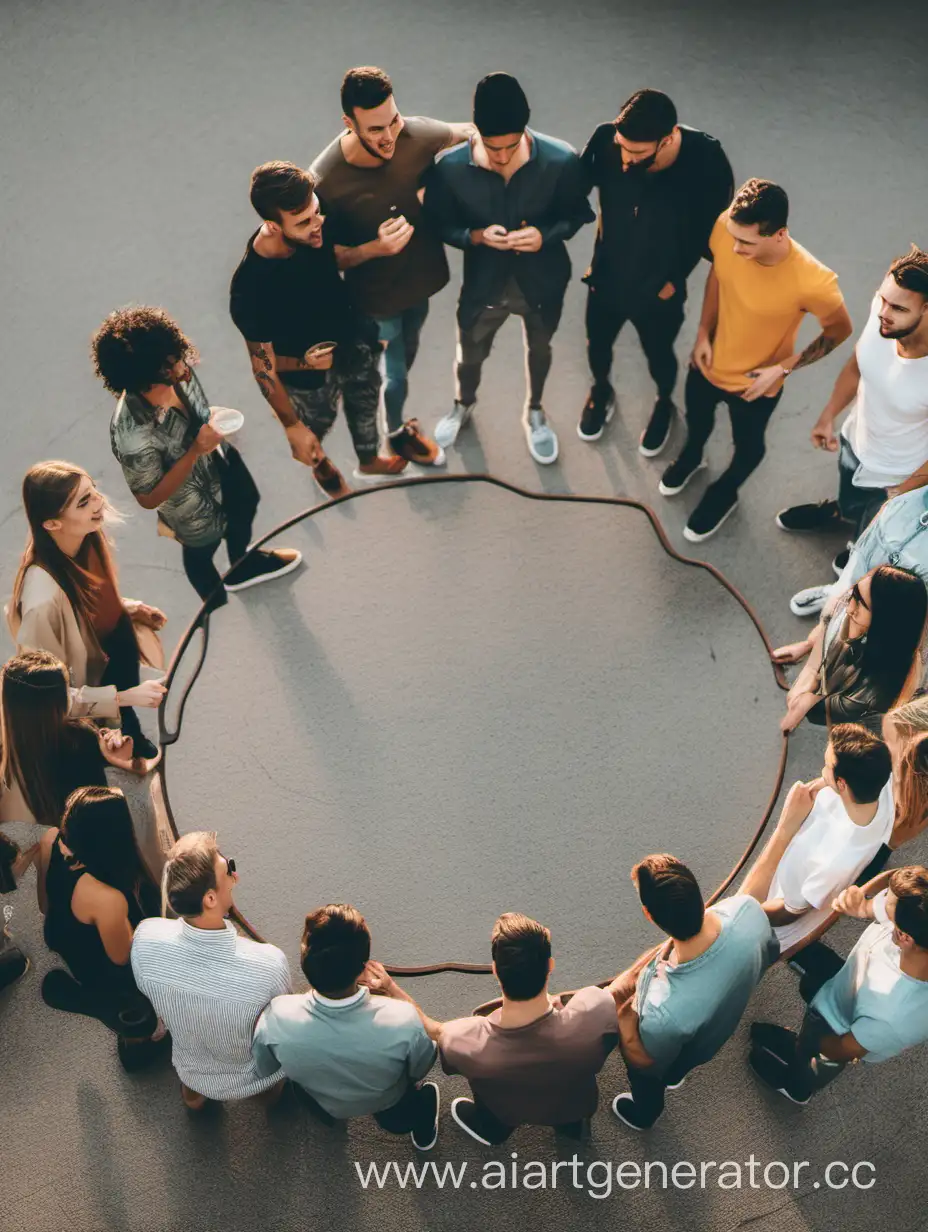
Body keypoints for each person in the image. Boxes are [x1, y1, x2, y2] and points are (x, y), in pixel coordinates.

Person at [658, 178, 853, 543]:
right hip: (708, 360)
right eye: (733, 236)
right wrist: (703, 331)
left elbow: (839, 330)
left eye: (746, 242)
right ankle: (693, 456)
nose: (735, 246)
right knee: (696, 422)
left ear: (780, 234)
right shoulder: (726, 226)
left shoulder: (814, 282)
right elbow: (719, 272)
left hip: (756, 384)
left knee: (748, 446)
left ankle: (725, 490)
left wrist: (782, 368)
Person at [426, 72, 594, 464]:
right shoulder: (449, 169)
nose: (501, 156)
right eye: (491, 146)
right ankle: (462, 405)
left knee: (540, 348)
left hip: (543, 282)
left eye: (511, 146)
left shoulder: (561, 160)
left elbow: (578, 214)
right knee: (469, 353)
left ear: (526, 128)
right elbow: (440, 224)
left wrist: (545, 235)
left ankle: (535, 411)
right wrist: (476, 237)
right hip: (484, 287)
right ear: (476, 131)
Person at [94, 306, 301, 607]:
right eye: (170, 362)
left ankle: (241, 567)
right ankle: (214, 604)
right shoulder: (132, 434)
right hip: (192, 504)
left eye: (176, 354)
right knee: (202, 550)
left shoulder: (179, 370)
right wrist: (195, 451)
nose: (182, 362)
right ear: (145, 374)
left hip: (220, 460)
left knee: (247, 502)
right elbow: (148, 497)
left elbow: (198, 408)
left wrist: (212, 420)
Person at [310, 66, 472, 449]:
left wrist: (441, 190)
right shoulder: (324, 181)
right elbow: (320, 261)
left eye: (393, 121)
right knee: (395, 368)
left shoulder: (414, 133)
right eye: (376, 130)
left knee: (408, 349)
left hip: (424, 280)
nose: (390, 137)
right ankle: (395, 430)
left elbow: (475, 135)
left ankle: (378, 392)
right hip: (376, 297)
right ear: (349, 123)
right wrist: (374, 248)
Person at [231, 162, 411, 497]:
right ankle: (320, 463)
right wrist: (292, 425)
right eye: (304, 222)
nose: (319, 224)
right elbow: (263, 367)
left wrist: (378, 248)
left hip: (352, 339)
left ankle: (370, 459)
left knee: (365, 399)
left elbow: (334, 258)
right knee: (316, 426)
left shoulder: (315, 217)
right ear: (271, 225)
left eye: (316, 212)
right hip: (306, 377)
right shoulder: (250, 289)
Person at [578, 88, 734, 453]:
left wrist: (674, 279)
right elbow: (573, 189)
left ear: (669, 138)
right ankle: (601, 391)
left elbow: (713, 234)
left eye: (638, 153)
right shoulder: (606, 140)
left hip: (661, 288)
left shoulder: (707, 160)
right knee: (596, 344)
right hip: (606, 277)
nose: (626, 159)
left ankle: (664, 403)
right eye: (622, 148)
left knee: (659, 354)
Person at [775, 247, 928, 577]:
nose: (884, 313)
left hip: (897, 476)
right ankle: (840, 512)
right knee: (850, 496)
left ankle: (859, 547)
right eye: (882, 299)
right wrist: (829, 415)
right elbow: (859, 364)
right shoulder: (884, 319)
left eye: (898, 308)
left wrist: (905, 491)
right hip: (855, 443)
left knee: (873, 533)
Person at [7, 463, 167, 760]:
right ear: (52, 523)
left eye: (92, 491)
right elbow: (48, 696)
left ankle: (129, 731)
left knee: (127, 721)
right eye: (84, 501)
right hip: (83, 704)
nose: (99, 501)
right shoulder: (41, 604)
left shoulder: (82, 538)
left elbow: (85, 597)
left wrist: (126, 608)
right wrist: (122, 698)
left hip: (104, 658)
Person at [608, 854, 777, 1130]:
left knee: (653, 1077)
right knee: (682, 1061)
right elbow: (770, 950)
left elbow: (644, 1061)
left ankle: (646, 1114)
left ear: (649, 915)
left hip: (678, 1040)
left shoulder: (663, 1014)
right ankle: (677, 1073)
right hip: (714, 1031)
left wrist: (625, 1022)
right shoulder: (747, 911)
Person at [252, 904, 440, 1150]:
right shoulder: (403, 1019)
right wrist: (389, 989)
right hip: (388, 1101)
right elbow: (420, 1065)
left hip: (325, 1102)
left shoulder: (276, 1017)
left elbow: (265, 1068)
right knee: (405, 1114)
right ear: (363, 967)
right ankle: (423, 1128)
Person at [131, 831, 291, 1110]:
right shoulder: (268, 963)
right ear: (209, 900)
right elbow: (282, 1020)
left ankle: (195, 1100)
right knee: (273, 1088)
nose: (235, 877)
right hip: (249, 1076)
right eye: (229, 870)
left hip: (191, 1068)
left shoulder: (145, 939)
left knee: (193, 1093)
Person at [435, 912, 618, 1145]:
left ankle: (493, 1134)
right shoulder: (595, 1010)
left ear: (495, 970)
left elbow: (437, 1032)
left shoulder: (461, 1039)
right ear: (550, 965)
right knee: (573, 1118)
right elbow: (619, 992)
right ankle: (572, 1132)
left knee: (491, 1121)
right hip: (574, 1106)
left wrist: (391, 988)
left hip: (505, 1112)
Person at [749, 866, 928, 1103]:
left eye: (885, 900)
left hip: (836, 1031)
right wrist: (861, 899)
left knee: (811, 1064)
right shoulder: (917, 919)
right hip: (846, 988)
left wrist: (811, 1041)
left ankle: (796, 1089)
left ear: (904, 936)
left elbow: (843, 1049)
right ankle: (798, 1044)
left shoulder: (894, 1018)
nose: (879, 900)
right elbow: (895, 880)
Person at [38, 786, 167, 1070]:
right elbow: (124, 957)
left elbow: (44, 904)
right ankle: (136, 1041)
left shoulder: (50, 839)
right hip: (98, 969)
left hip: (59, 933)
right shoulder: (107, 900)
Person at [741, 731, 894, 958]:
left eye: (826, 766)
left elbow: (788, 913)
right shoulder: (880, 783)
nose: (822, 772)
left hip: (774, 907)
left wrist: (785, 826)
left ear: (842, 784)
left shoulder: (834, 862)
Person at [774, 565, 927, 732]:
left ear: (883, 623)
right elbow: (831, 622)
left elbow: (820, 711)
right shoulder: (895, 620)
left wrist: (807, 702)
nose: (849, 608)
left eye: (860, 604)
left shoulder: (869, 698)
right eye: (854, 594)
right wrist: (810, 649)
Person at [0, 650, 143, 826]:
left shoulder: (8, 756)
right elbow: (101, 811)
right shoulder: (78, 741)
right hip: (77, 845)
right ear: (60, 700)